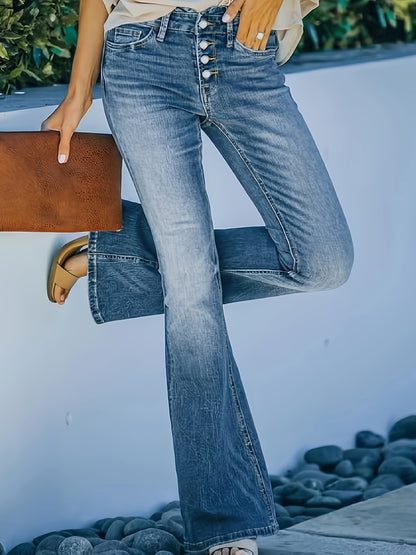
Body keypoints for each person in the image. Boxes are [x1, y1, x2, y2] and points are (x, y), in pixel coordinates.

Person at [42, 0, 354, 553]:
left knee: (323, 262)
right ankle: (224, 524)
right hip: (141, 59)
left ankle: (115, 254)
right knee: (191, 294)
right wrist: (78, 89)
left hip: (243, 52)